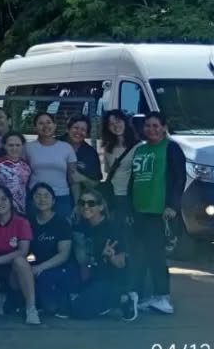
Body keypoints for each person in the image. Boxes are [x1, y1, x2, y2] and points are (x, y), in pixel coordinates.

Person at [125, 112, 185, 315]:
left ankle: (163, 296)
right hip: (139, 210)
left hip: (158, 211)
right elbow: (134, 179)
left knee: (156, 255)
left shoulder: (171, 148)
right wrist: (130, 208)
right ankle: (144, 295)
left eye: (155, 126)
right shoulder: (140, 149)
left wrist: (172, 206)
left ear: (164, 127)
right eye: (148, 126)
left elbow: (179, 179)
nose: (151, 129)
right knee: (139, 255)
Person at [0, 185, 40, 325]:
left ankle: (31, 308)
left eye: (3, 199)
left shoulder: (22, 222)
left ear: (10, 201)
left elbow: (23, 251)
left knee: (20, 261)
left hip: (15, 274)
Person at [70, 190, 137, 321]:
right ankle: (102, 303)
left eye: (91, 203)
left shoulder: (114, 228)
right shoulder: (79, 227)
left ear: (100, 207)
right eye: (82, 203)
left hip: (112, 278)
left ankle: (124, 298)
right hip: (91, 275)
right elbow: (81, 259)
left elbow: (122, 263)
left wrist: (111, 256)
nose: (86, 207)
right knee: (68, 307)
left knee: (80, 310)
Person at [28, 182, 75, 318]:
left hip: (57, 268)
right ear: (32, 201)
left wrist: (39, 268)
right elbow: (27, 252)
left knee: (50, 306)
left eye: (46, 196)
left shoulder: (61, 223)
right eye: (38, 196)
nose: (42, 199)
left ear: (53, 201)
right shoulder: (28, 222)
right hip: (34, 267)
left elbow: (63, 255)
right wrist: (29, 265)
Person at [25, 112, 78, 218]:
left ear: (54, 125)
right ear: (35, 127)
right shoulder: (27, 148)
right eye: (41, 123)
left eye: (48, 122)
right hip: (36, 198)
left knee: (62, 227)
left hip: (61, 198)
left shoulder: (66, 148)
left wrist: (77, 203)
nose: (45, 126)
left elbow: (73, 179)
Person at [100, 110, 140, 221]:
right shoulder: (108, 148)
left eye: (118, 121)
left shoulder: (138, 147)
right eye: (111, 124)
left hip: (129, 196)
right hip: (111, 195)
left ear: (125, 121)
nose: (116, 126)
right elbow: (108, 172)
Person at [0, 132, 33, 214]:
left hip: (21, 210)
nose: (14, 148)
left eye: (18, 145)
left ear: (22, 146)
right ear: (4, 146)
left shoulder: (27, 166)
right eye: (11, 145)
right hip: (0, 208)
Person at [66, 116, 102, 203]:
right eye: (76, 128)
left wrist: (82, 178)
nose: (79, 132)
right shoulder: (55, 144)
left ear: (87, 133)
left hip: (80, 200)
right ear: (68, 129)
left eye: (83, 130)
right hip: (48, 196)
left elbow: (96, 183)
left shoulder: (90, 153)